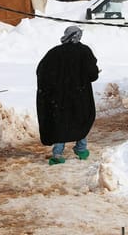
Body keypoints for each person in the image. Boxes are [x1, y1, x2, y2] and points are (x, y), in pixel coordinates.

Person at [36, 25, 100, 165]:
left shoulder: (54, 53)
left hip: (60, 98)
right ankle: (81, 149)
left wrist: (51, 89)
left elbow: (42, 72)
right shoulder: (85, 51)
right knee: (81, 120)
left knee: (61, 122)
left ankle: (58, 154)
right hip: (80, 96)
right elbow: (93, 74)